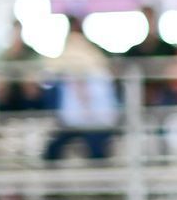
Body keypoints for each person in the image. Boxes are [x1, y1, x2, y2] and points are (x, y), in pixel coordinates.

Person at [44, 14, 120, 162]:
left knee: (97, 149)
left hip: (97, 121)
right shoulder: (64, 76)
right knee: (52, 150)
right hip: (72, 122)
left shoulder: (98, 73)